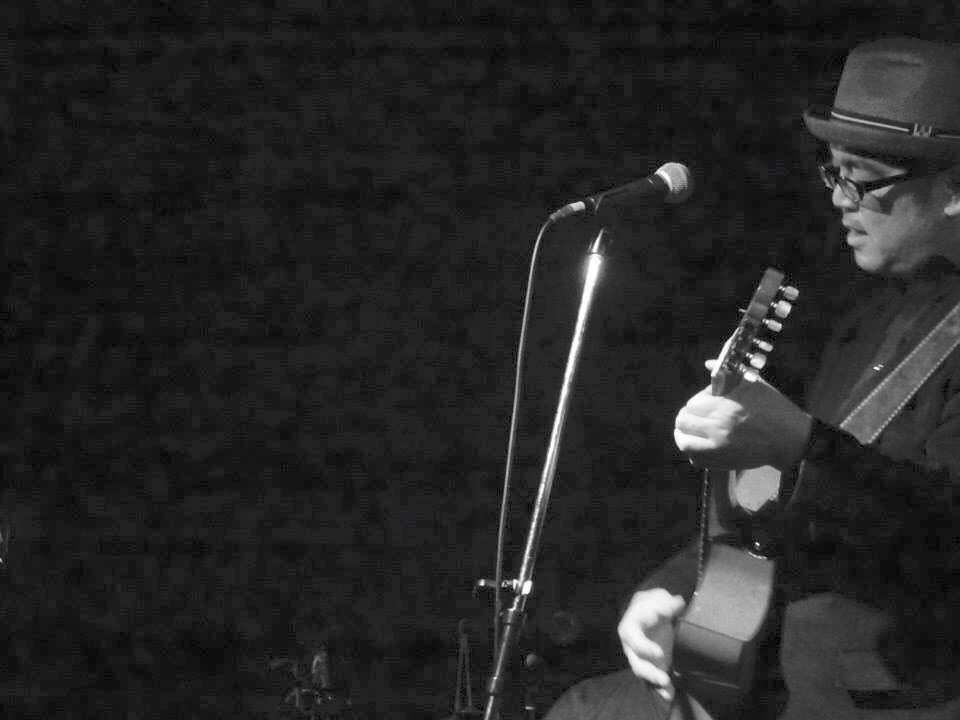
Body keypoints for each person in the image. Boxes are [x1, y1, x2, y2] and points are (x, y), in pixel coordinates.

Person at [544, 37, 960, 720]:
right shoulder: (868, 318)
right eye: (833, 173)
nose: (840, 199)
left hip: (894, 692)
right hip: (772, 674)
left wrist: (802, 443)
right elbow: (781, 516)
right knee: (585, 709)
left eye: (861, 179)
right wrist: (675, 587)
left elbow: (941, 535)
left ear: (953, 190)